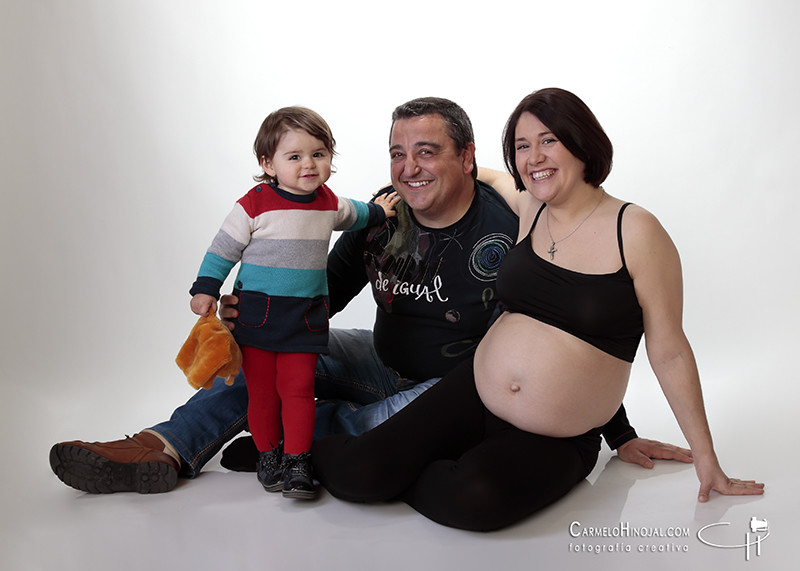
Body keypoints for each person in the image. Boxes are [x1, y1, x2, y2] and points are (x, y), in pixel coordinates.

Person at [49, 96, 690, 497]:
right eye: (397, 153)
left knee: (368, 437)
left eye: (427, 151)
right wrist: (255, 312)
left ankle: (288, 439)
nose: (408, 167)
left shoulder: (513, 224)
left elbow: (578, 327)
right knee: (270, 353)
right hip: (376, 362)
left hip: (451, 392)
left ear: (468, 158)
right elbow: (318, 299)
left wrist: (617, 431)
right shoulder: (378, 221)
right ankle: (161, 449)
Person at [309, 88, 765, 531]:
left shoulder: (636, 230)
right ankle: (295, 457)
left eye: (549, 141)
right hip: (473, 391)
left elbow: (669, 352)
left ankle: (410, 467)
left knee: (473, 501)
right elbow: (484, 175)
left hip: (559, 433)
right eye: (522, 146)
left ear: (583, 143)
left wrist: (705, 459)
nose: (534, 157)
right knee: (358, 476)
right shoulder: (530, 207)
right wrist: (429, 168)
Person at [187, 106, 399, 499]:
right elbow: (222, 250)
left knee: (298, 390)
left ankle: (298, 460)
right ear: (268, 163)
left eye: (319, 154)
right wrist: (206, 288)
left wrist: (380, 211)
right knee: (263, 393)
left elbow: (356, 214)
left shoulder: (327, 203)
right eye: (295, 156)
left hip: (305, 320)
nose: (309, 164)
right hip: (257, 316)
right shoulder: (254, 203)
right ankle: (268, 453)